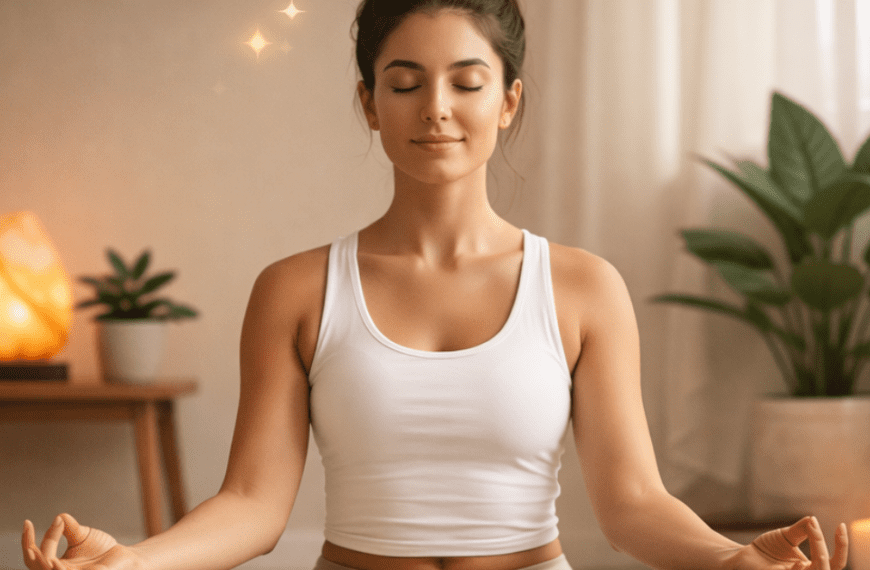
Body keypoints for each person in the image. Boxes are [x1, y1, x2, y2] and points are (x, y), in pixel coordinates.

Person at [21, 1, 851, 569]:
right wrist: (134, 560)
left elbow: (632, 502)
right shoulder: (297, 290)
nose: (437, 109)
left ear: (510, 101)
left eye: (466, 81)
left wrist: (730, 557)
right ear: (369, 103)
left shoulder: (584, 289)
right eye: (405, 83)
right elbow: (252, 504)